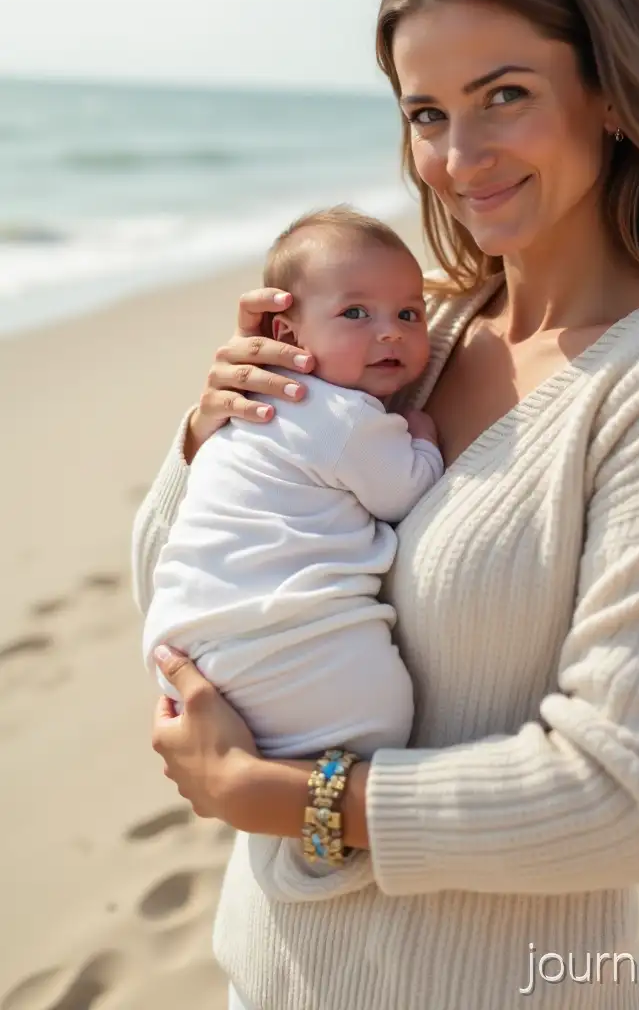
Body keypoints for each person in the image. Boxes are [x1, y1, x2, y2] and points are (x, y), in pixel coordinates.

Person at [131, 0, 639, 1010]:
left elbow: (632, 791)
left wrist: (294, 798)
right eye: (426, 112)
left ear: (606, 92)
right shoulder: (414, 327)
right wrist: (208, 437)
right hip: (266, 976)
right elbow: (183, 602)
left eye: (503, 94)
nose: (457, 155)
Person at [141, 206, 443, 903]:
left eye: (409, 313)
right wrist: (422, 434)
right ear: (286, 335)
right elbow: (404, 492)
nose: (390, 332)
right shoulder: (341, 417)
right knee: (377, 722)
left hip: (190, 645)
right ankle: (324, 837)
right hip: (281, 641)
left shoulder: (251, 418)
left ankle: (308, 832)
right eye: (357, 314)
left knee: (301, 773)